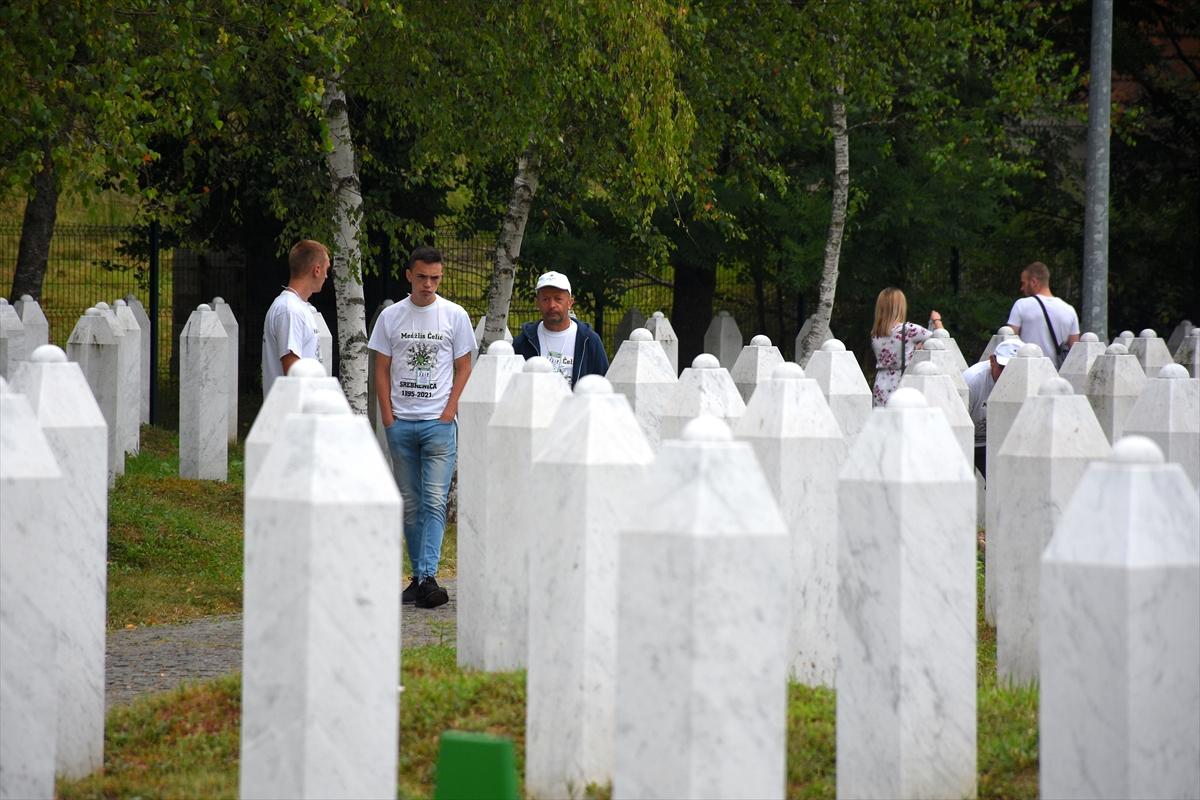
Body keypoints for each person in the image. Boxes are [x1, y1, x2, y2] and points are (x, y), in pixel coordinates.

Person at [368, 246, 474, 609]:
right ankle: (418, 577)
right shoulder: (391, 317)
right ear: (409, 275)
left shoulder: (454, 315)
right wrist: (387, 418)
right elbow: (380, 367)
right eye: (422, 277)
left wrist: (448, 413)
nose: (429, 284)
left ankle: (428, 575)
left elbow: (464, 366)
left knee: (433, 500)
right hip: (401, 422)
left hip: (438, 425)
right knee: (411, 504)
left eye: (436, 278)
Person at [512, 271, 609, 386]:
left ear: (569, 303)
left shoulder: (588, 340)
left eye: (558, 299)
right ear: (537, 303)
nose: (552, 305)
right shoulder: (524, 341)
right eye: (545, 299)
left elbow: (603, 384)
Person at [261, 239, 329, 397]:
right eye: (326, 269)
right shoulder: (290, 310)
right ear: (317, 270)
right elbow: (293, 374)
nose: (326, 276)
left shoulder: (298, 308)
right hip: (291, 416)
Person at [870, 287, 943, 407]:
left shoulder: (875, 333)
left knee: (883, 423)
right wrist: (937, 320)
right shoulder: (909, 330)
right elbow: (940, 339)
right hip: (901, 383)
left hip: (881, 384)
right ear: (900, 307)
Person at [962, 339, 1021, 477]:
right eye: (1002, 368)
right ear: (992, 361)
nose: (1007, 374)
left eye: (1013, 369)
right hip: (968, 443)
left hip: (995, 445)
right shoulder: (972, 381)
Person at [1005, 261, 1080, 367]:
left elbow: (1009, 344)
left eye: (1023, 283)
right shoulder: (1069, 310)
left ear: (1033, 282)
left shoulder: (1021, 305)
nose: (1021, 288)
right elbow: (1075, 351)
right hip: (1056, 376)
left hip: (1027, 373)